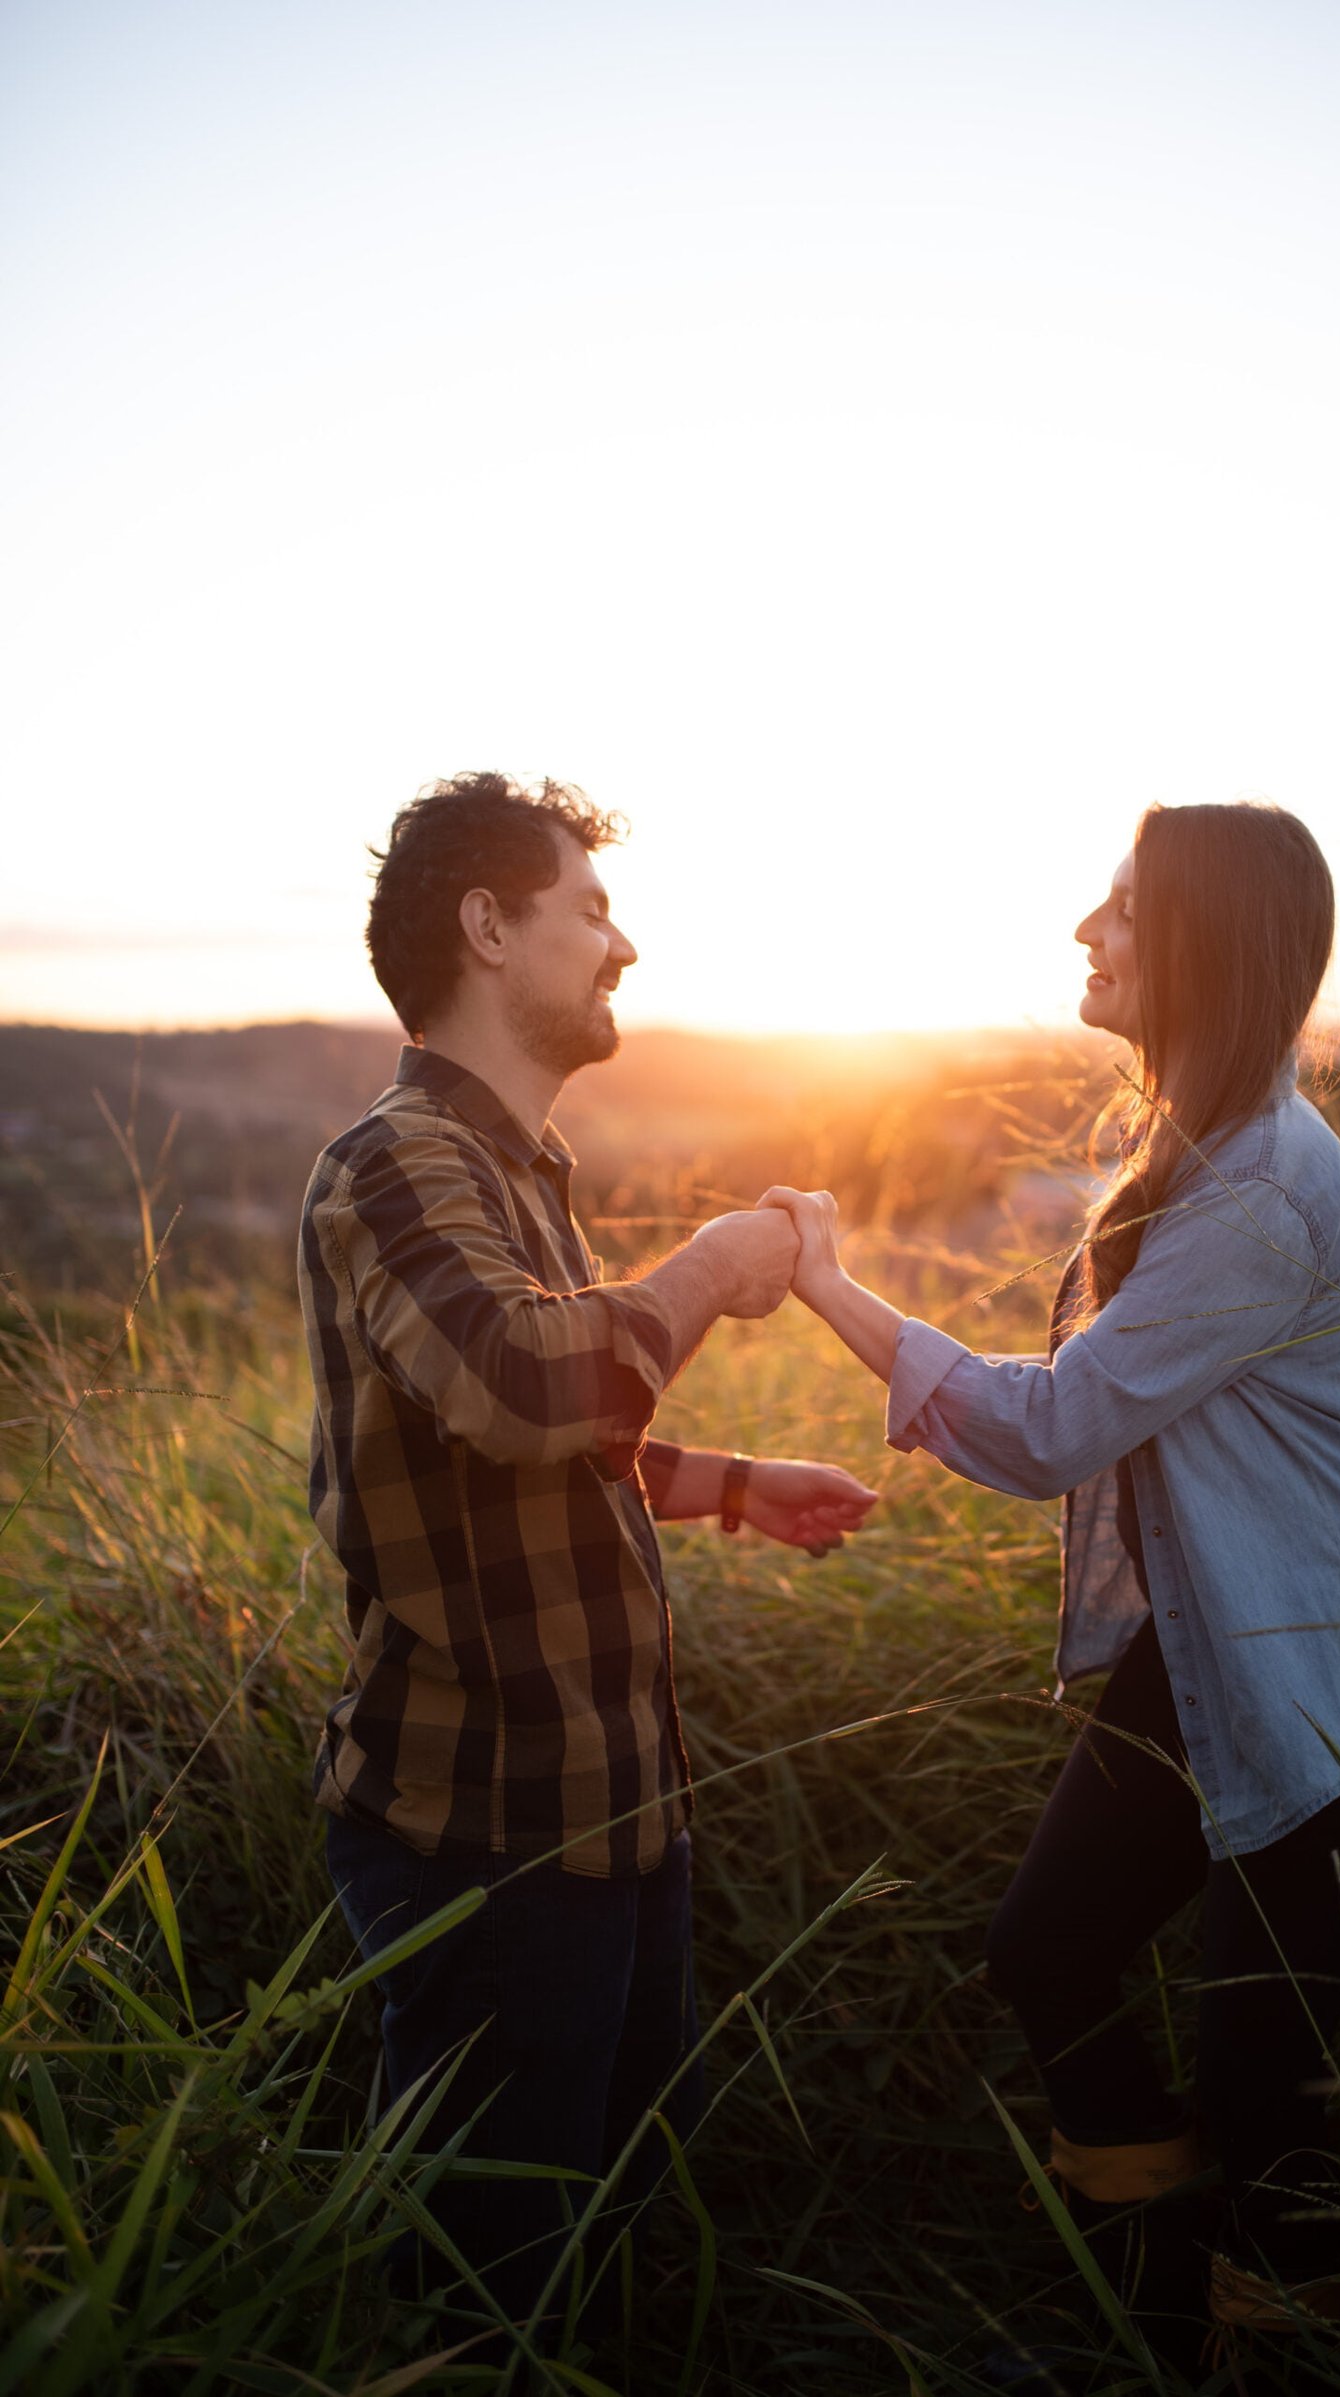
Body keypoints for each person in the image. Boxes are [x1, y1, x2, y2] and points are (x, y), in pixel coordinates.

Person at [760, 801, 1340, 2355]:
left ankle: (1254, 2346)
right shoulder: (1199, 1149)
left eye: (1126, 906)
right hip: (1225, 1647)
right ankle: (1142, 2315)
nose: (1089, 926)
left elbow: (1059, 1424)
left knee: (1266, 2097)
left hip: (1335, 1687)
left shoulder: (1266, 1187)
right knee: (1049, 1946)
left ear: (1206, 941)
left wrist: (826, 1287)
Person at [298, 770, 877, 2344]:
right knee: (495, 2299)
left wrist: (732, 1484)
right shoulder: (396, 1161)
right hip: (485, 1835)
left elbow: (522, 1456)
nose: (622, 944)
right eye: (591, 908)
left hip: (614, 1810)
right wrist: (712, 1266)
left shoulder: (515, 1173)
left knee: (619, 2242)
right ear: (488, 928)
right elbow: (518, 1380)